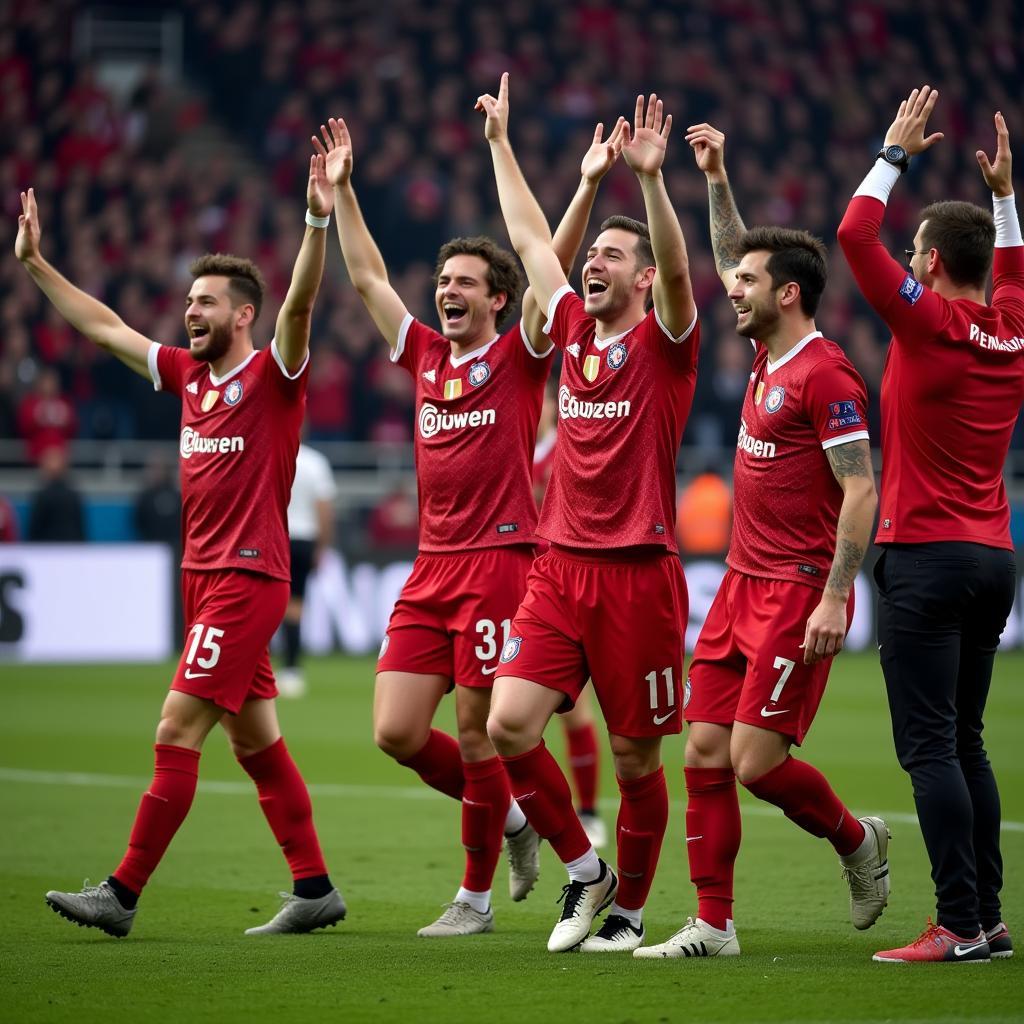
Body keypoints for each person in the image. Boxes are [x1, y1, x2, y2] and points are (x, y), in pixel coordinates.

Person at [19, 150, 346, 938]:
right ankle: (314, 887)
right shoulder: (185, 378)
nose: (189, 312)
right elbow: (104, 327)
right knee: (257, 741)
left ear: (242, 315)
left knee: (175, 730)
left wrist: (314, 220)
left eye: (206, 303)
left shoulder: (273, 376)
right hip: (204, 578)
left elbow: (299, 306)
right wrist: (35, 266)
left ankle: (121, 894)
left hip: (246, 575)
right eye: (187, 302)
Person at [316, 113, 623, 937]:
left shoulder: (520, 355)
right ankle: (520, 824)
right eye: (442, 282)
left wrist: (588, 185)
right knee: (396, 731)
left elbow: (547, 264)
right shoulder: (421, 355)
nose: (446, 292)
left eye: (463, 283)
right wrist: (343, 194)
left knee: (481, 732)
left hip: (499, 562)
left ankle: (476, 899)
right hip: (430, 568)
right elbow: (367, 278)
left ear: (497, 300)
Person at [630, 122, 885, 960]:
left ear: (789, 297)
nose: (729, 291)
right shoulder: (769, 353)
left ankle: (857, 841)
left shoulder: (826, 374)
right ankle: (714, 923)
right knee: (702, 749)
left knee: (753, 762)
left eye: (747, 286)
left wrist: (836, 594)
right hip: (740, 582)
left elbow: (861, 486)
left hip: (796, 586)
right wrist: (715, 176)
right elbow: (741, 252)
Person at [479, 76, 700, 954]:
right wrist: (502, 143)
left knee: (640, 761)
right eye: (593, 255)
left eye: (611, 256)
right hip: (559, 567)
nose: (592, 264)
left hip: (640, 575)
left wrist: (649, 181)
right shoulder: (570, 330)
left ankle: (632, 912)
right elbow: (531, 239)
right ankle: (585, 868)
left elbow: (683, 273)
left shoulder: (666, 343)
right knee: (506, 726)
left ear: (641, 278)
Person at [838, 88, 1023, 964]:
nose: (905, 261)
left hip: (924, 558)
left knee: (929, 750)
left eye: (917, 253)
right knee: (967, 740)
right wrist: (1005, 198)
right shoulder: (1011, 329)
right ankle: (986, 920)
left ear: (936, 264)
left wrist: (893, 153)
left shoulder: (931, 319)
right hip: (993, 560)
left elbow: (851, 236)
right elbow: (1013, 274)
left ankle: (956, 923)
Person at [533, 382, 607, 849]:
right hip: (532, 582)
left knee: (577, 711)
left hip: (572, 581)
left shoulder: (564, 445)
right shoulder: (524, 448)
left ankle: (588, 811)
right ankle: (537, 811)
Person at [278, 436, 337, 698]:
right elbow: (324, 509)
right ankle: (292, 670)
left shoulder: (273, 454)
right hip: (304, 540)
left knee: (269, 604)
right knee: (296, 606)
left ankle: (264, 669)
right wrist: (322, 546)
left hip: (275, 537)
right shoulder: (315, 462)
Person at [27, 444, 85, 542]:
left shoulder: (42, 496)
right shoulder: (73, 495)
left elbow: (34, 529)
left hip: (48, 550)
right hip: (70, 549)